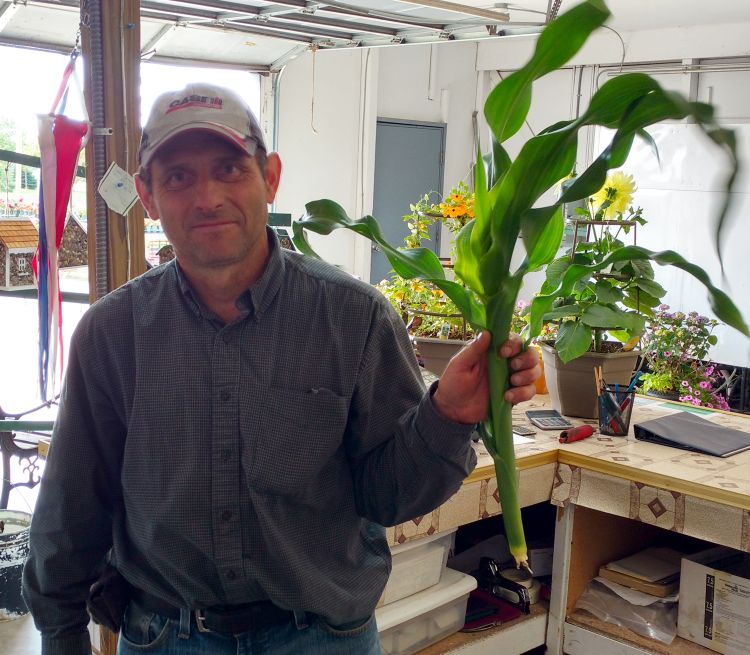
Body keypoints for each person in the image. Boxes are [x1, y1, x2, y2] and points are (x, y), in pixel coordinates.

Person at [22, 82, 540, 655]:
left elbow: (387, 496)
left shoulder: (355, 319)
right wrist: (60, 632)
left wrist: (447, 414)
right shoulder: (113, 334)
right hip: (167, 637)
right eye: (178, 177)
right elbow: (74, 503)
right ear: (146, 195)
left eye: (229, 169)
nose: (208, 197)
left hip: (320, 637)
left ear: (269, 177)